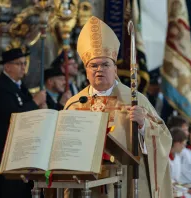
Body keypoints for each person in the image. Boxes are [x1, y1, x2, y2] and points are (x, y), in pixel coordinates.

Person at [64, 16, 172, 198]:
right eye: (94, 65)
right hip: (83, 185)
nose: (99, 69)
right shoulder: (74, 103)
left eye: (105, 64)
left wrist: (143, 125)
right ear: (86, 70)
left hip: (123, 182)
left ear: (115, 69)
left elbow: (163, 137)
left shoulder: (134, 99)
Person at [0, 48, 46, 198]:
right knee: (9, 190)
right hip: (6, 146)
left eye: (25, 63)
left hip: (22, 147)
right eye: (19, 64)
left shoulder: (20, 86)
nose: (23, 67)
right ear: (7, 66)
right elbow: (14, 117)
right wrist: (35, 102)